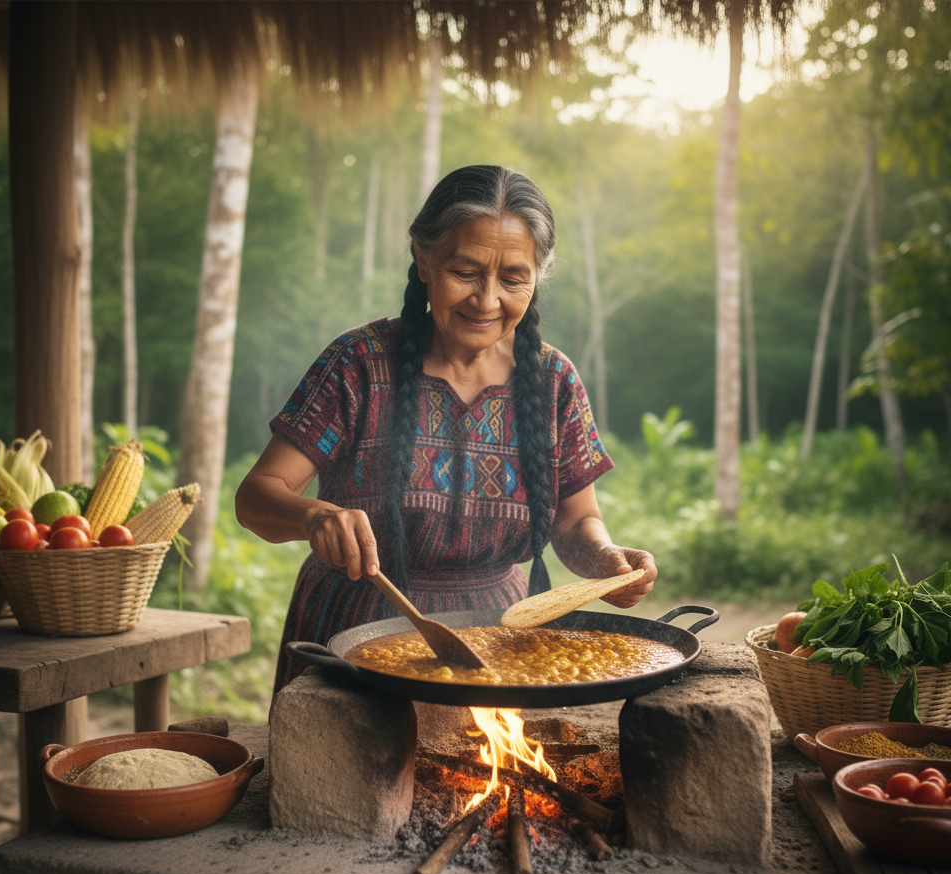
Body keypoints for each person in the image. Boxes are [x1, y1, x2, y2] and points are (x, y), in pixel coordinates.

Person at [235, 165, 657, 691]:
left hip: (497, 641)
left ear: (537, 277)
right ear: (423, 259)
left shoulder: (553, 380)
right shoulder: (360, 363)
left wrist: (603, 557)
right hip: (353, 632)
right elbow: (256, 498)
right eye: (465, 272)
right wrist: (316, 515)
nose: (486, 299)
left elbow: (574, 522)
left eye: (512, 279)